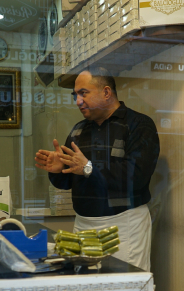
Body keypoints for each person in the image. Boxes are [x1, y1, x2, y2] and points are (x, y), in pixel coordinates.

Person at [35, 67, 160, 271]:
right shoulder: (78, 130)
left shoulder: (139, 125)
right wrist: (57, 171)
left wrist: (88, 168)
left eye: (83, 93)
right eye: (75, 95)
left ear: (106, 93)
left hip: (124, 225)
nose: (78, 101)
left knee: (123, 289)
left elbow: (136, 177)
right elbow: (67, 183)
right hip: (84, 224)